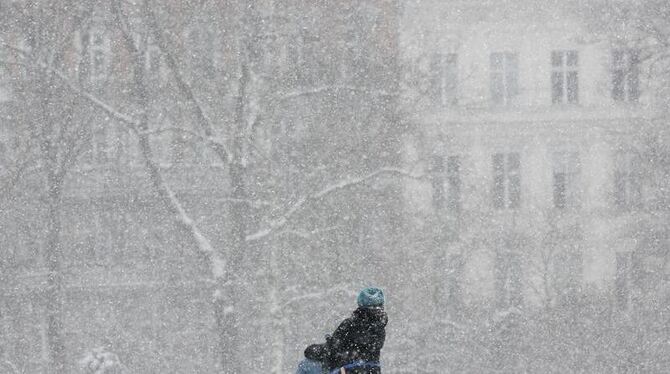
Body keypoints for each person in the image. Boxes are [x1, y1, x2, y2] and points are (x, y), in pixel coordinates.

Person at [299, 287, 387, 374]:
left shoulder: (351, 324)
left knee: (306, 364)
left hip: (345, 369)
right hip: (370, 370)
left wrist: (314, 350)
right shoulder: (379, 328)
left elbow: (334, 348)